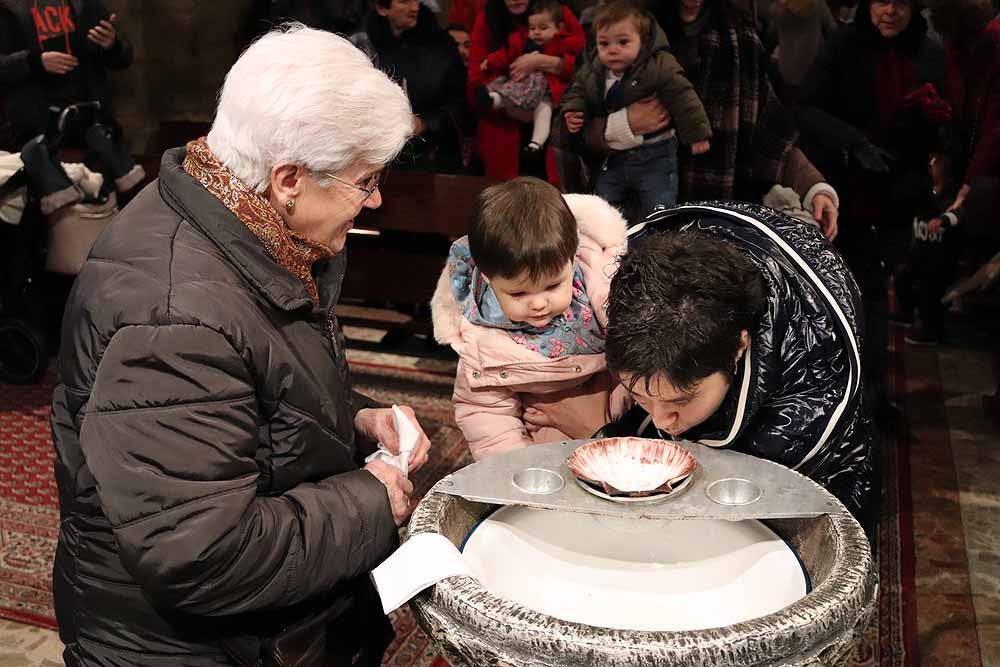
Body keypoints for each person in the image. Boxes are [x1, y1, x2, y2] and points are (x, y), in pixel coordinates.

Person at [50, 26, 433, 667]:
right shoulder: (172, 320)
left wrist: (353, 416)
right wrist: (375, 499)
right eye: (364, 182)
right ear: (288, 179)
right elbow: (204, 553)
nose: (375, 199)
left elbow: (254, 383)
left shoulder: (239, 223)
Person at [523, 202, 877, 542]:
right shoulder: (625, 279)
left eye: (682, 400)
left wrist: (598, 434)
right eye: (642, 396)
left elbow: (723, 497)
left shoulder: (810, 400)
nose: (663, 421)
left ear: (739, 348)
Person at [576, 0, 840, 240]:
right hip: (629, 223)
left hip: (715, 225)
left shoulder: (739, 39)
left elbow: (770, 130)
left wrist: (813, 187)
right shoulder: (617, 31)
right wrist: (621, 126)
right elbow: (571, 128)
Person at [797, 0, 947, 415]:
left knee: (880, 290)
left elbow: (946, 115)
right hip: (849, 189)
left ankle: (871, 394)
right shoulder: (844, 44)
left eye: (900, 3)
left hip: (900, 189)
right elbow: (807, 108)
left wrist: (930, 122)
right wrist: (852, 142)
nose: (890, 12)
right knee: (849, 289)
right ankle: (844, 392)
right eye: (882, 1)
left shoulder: (929, 49)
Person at [431, 176, 631, 460]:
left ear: (572, 259)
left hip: (629, 430)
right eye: (519, 293)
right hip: (545, 453)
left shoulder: (607, 286)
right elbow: (487, 415)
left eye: (552, 286)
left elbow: (642, 355)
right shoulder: (482, 339)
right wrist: (520, 468)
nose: (538, 303)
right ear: (488, 280)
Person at [560, 0, 712, 221]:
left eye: (623, 42)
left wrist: (697, 134)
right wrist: (573, 110)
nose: (613, 50)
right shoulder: (594, 69)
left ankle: (660, 243)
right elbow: (577, 90)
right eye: (604, 44)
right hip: (613, 157)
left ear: (644, 42)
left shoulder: (659, 65)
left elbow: (684, 96)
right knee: (604, 207)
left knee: (659, 207)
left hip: (656, 154)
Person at [0, 0, 143, 192]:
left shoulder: (85, 4)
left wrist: (112, 44)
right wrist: (34, 62)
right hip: (38, 132)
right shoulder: (8, 8)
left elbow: (123, 58)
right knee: (59, 207)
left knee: (116, 200)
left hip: (93, 124)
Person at [468, 0, 585, 181]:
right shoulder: (488, 18)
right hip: (504, 126)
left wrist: (544, 62)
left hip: (555, 118)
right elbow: (476, 79)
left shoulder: (556, 11)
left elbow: (584, 64)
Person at [353, 0, 466, 172]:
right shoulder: (362, 45)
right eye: (404, 2)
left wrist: (426, 122)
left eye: (416, 0)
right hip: (378, 154)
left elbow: (459, 98)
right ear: (382, 8)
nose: (414, 8)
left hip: (435, 153)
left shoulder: (441, 45)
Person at [894, 153, 962, 345]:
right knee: (902, 277)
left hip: (939, 257)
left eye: (935, 167)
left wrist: (943, 220)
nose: (931, 170)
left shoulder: (953, 197)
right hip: (919, 252)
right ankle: (908, 313)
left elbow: (957, 215)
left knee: (929, 291)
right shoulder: (922, 194)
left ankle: (930, 330)